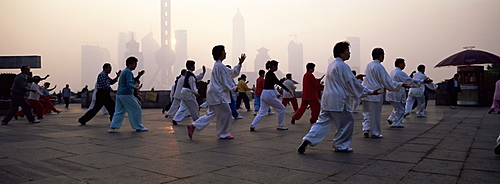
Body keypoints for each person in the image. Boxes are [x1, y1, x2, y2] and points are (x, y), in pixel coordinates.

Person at [297, 41, 381, 154]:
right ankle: (341, 145)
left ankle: (308, 139)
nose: (349, 53)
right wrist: (370, 92)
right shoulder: (343, 66)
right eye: (347, 51)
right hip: (339, 100)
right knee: (347, 122)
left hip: (327, 100)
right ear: (341, 53)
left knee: (322, 122)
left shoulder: (331, 65)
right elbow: (352, 83)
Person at [187, 45, 244, 139]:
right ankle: (224, 133)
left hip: (213, 93)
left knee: (211, 114)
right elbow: (225, 80)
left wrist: (240, 63)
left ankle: (193, 126)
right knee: (226, 112)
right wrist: (233, 87)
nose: (225, 53)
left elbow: (232, 73)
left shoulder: (219, 66)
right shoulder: (220, 66)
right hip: (218, 94)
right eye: (224, 51)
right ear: (220, 53)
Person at [361, 48, 407, 138]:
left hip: (366, 92)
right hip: (376, 92)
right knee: (375, 114)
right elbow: (387, 81)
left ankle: (366, 129)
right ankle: (375, 132)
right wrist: (400, 85)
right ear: (380, 55)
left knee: (367, 113)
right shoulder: (379, 66)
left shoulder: (368, 65)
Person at [386, 59, 431, 128]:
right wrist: (422, 81)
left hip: (391, 92)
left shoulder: (392, 72)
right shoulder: (400, 73)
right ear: (399, 64)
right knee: (400, 109)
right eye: (403, 63)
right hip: (397, 93)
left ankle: (391, 118)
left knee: (397, 108)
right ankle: (396, 123)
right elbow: (409, 81)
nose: (404, 65)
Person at [250, 60, 293, 131]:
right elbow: (278, 83)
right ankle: (280, 125)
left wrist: (280, 82)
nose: (277, 68)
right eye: (276, 66)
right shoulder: (271, 74)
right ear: (273, 66)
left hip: (264, 94)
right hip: (269, 94)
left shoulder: (268, 74)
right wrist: (288, 90)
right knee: (282, 109)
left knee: (262, 112)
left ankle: (253, 125)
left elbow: (276, 82)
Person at [108, 56, 147, 132]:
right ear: (129, 64)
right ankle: (138, 126)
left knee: (119, 111)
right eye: (134, 64)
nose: (136, 66)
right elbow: (129, 83)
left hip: (120, 94)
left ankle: (112, 127)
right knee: (136, 109)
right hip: (126, 94)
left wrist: (139, 76)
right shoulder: (128, 72)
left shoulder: (124, 71)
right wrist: (135, 88)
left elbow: (131, 81)